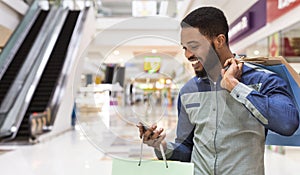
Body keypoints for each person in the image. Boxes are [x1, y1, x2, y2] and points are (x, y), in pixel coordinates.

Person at [137, 6, 299, 175]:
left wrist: (235, 87)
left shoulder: (261, 80)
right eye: (184, 47)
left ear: (220, 40)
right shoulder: (188, 91)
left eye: (194, 46)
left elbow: (288, 123)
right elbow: (186, 149)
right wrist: (160, 145)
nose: (187, 55)